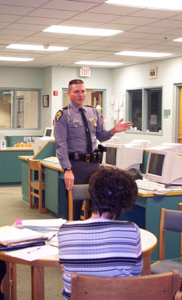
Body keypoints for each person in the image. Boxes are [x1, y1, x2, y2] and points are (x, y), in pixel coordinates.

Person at [58, 167, 143, 300]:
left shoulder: (65, 230)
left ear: (92, 192)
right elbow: (136, 274)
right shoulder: (132, 230)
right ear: (126, 201)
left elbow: (68, 267)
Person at [54, 79, 131, 218]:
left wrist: (113, 130)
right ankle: (73, 235)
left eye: (83, 91)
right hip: (76, 166)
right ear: (69, 94)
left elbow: (101, 136)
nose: (80, 94)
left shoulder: (93, 112)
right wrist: (67, 169)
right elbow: (61, 144)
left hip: (94, 166)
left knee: (96, 207)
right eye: (76, 91)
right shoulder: (63, 115)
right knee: (74, 208)